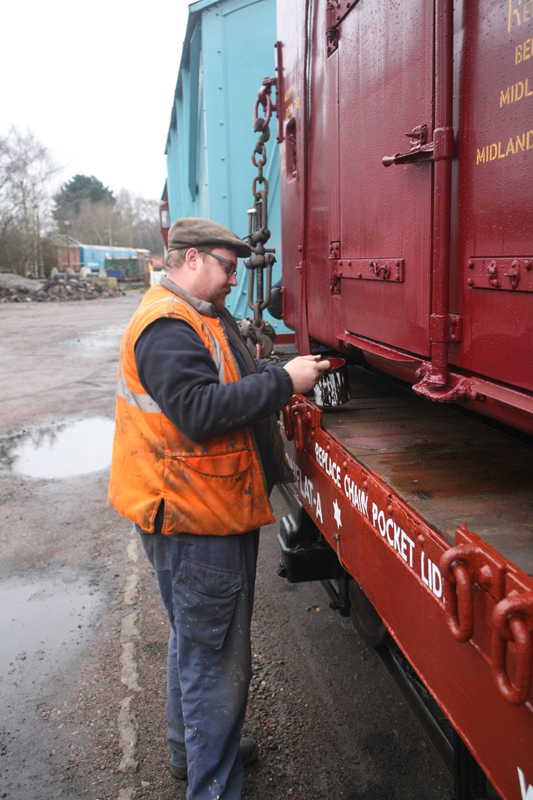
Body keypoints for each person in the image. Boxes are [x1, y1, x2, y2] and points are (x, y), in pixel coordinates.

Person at [108, 217, 329, 800]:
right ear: (192, 260)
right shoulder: (167, 325)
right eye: (228, 267)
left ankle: (191, 753)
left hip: (193, 507)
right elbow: (199, 411)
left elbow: (228, 376)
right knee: (215, 661)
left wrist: (272, 371)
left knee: (195, 640)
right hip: (194, 516)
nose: (236, 278)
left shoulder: (199, 315)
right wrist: (285, 383)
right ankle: (213, 785)